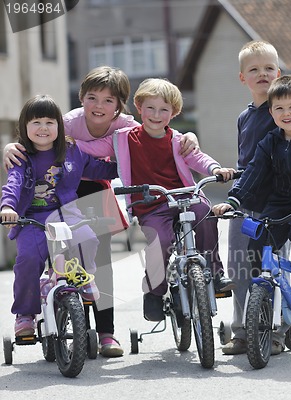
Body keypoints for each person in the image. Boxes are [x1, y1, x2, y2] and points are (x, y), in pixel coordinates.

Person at [2, 66, 199, 357]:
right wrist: (10, 146)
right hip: (57, 192)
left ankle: (106, 333)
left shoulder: (126, 125)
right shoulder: (65, 124)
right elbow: (33, 141)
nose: (99, 106)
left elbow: (158, 130)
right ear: (82, 98)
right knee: (42, 253)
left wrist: (188, 136)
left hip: (95, 187)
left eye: (109, 101)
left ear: (120, 106)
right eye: (93, 98)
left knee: (100, 258)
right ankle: (44, 312)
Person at [76, 77, 236, 321]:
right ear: (139, 108)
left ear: (174, 113)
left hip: (184, 197)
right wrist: (55, 142)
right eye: (150, 108)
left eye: (164, 109)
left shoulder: (178, 140)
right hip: (150, 204)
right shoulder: (123, 138)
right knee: (159, 242)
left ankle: (214, 274)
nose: (156, 114)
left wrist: (215, 169)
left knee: (206, 215)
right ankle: (155, 291)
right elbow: (92, 149)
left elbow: (198, 158)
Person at [222, 40, 291, 356]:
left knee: (276, 266)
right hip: (246, 199)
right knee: (242, 266)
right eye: (253, 69)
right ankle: (243, 331)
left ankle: (278, 331)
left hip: (278, 202)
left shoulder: (286, 108)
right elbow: (249, 159)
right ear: (243, 78)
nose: (262, 74)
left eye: (269, 68)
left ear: (278, 72)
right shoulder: (245, 116)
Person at [0, 94, 118, 339]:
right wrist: (8, 207)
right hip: (33, 219)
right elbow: (13, 183)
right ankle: (25, 315)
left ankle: (83, 279)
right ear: (24, 127)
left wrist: (130, 167)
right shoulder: (21, 156)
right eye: (36, 122)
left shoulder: (72, 150)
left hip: (67, 214)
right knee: (28, 259)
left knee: (87, 238)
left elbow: (99, 169)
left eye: (49, 122)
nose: (43, 128)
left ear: (59, 126)